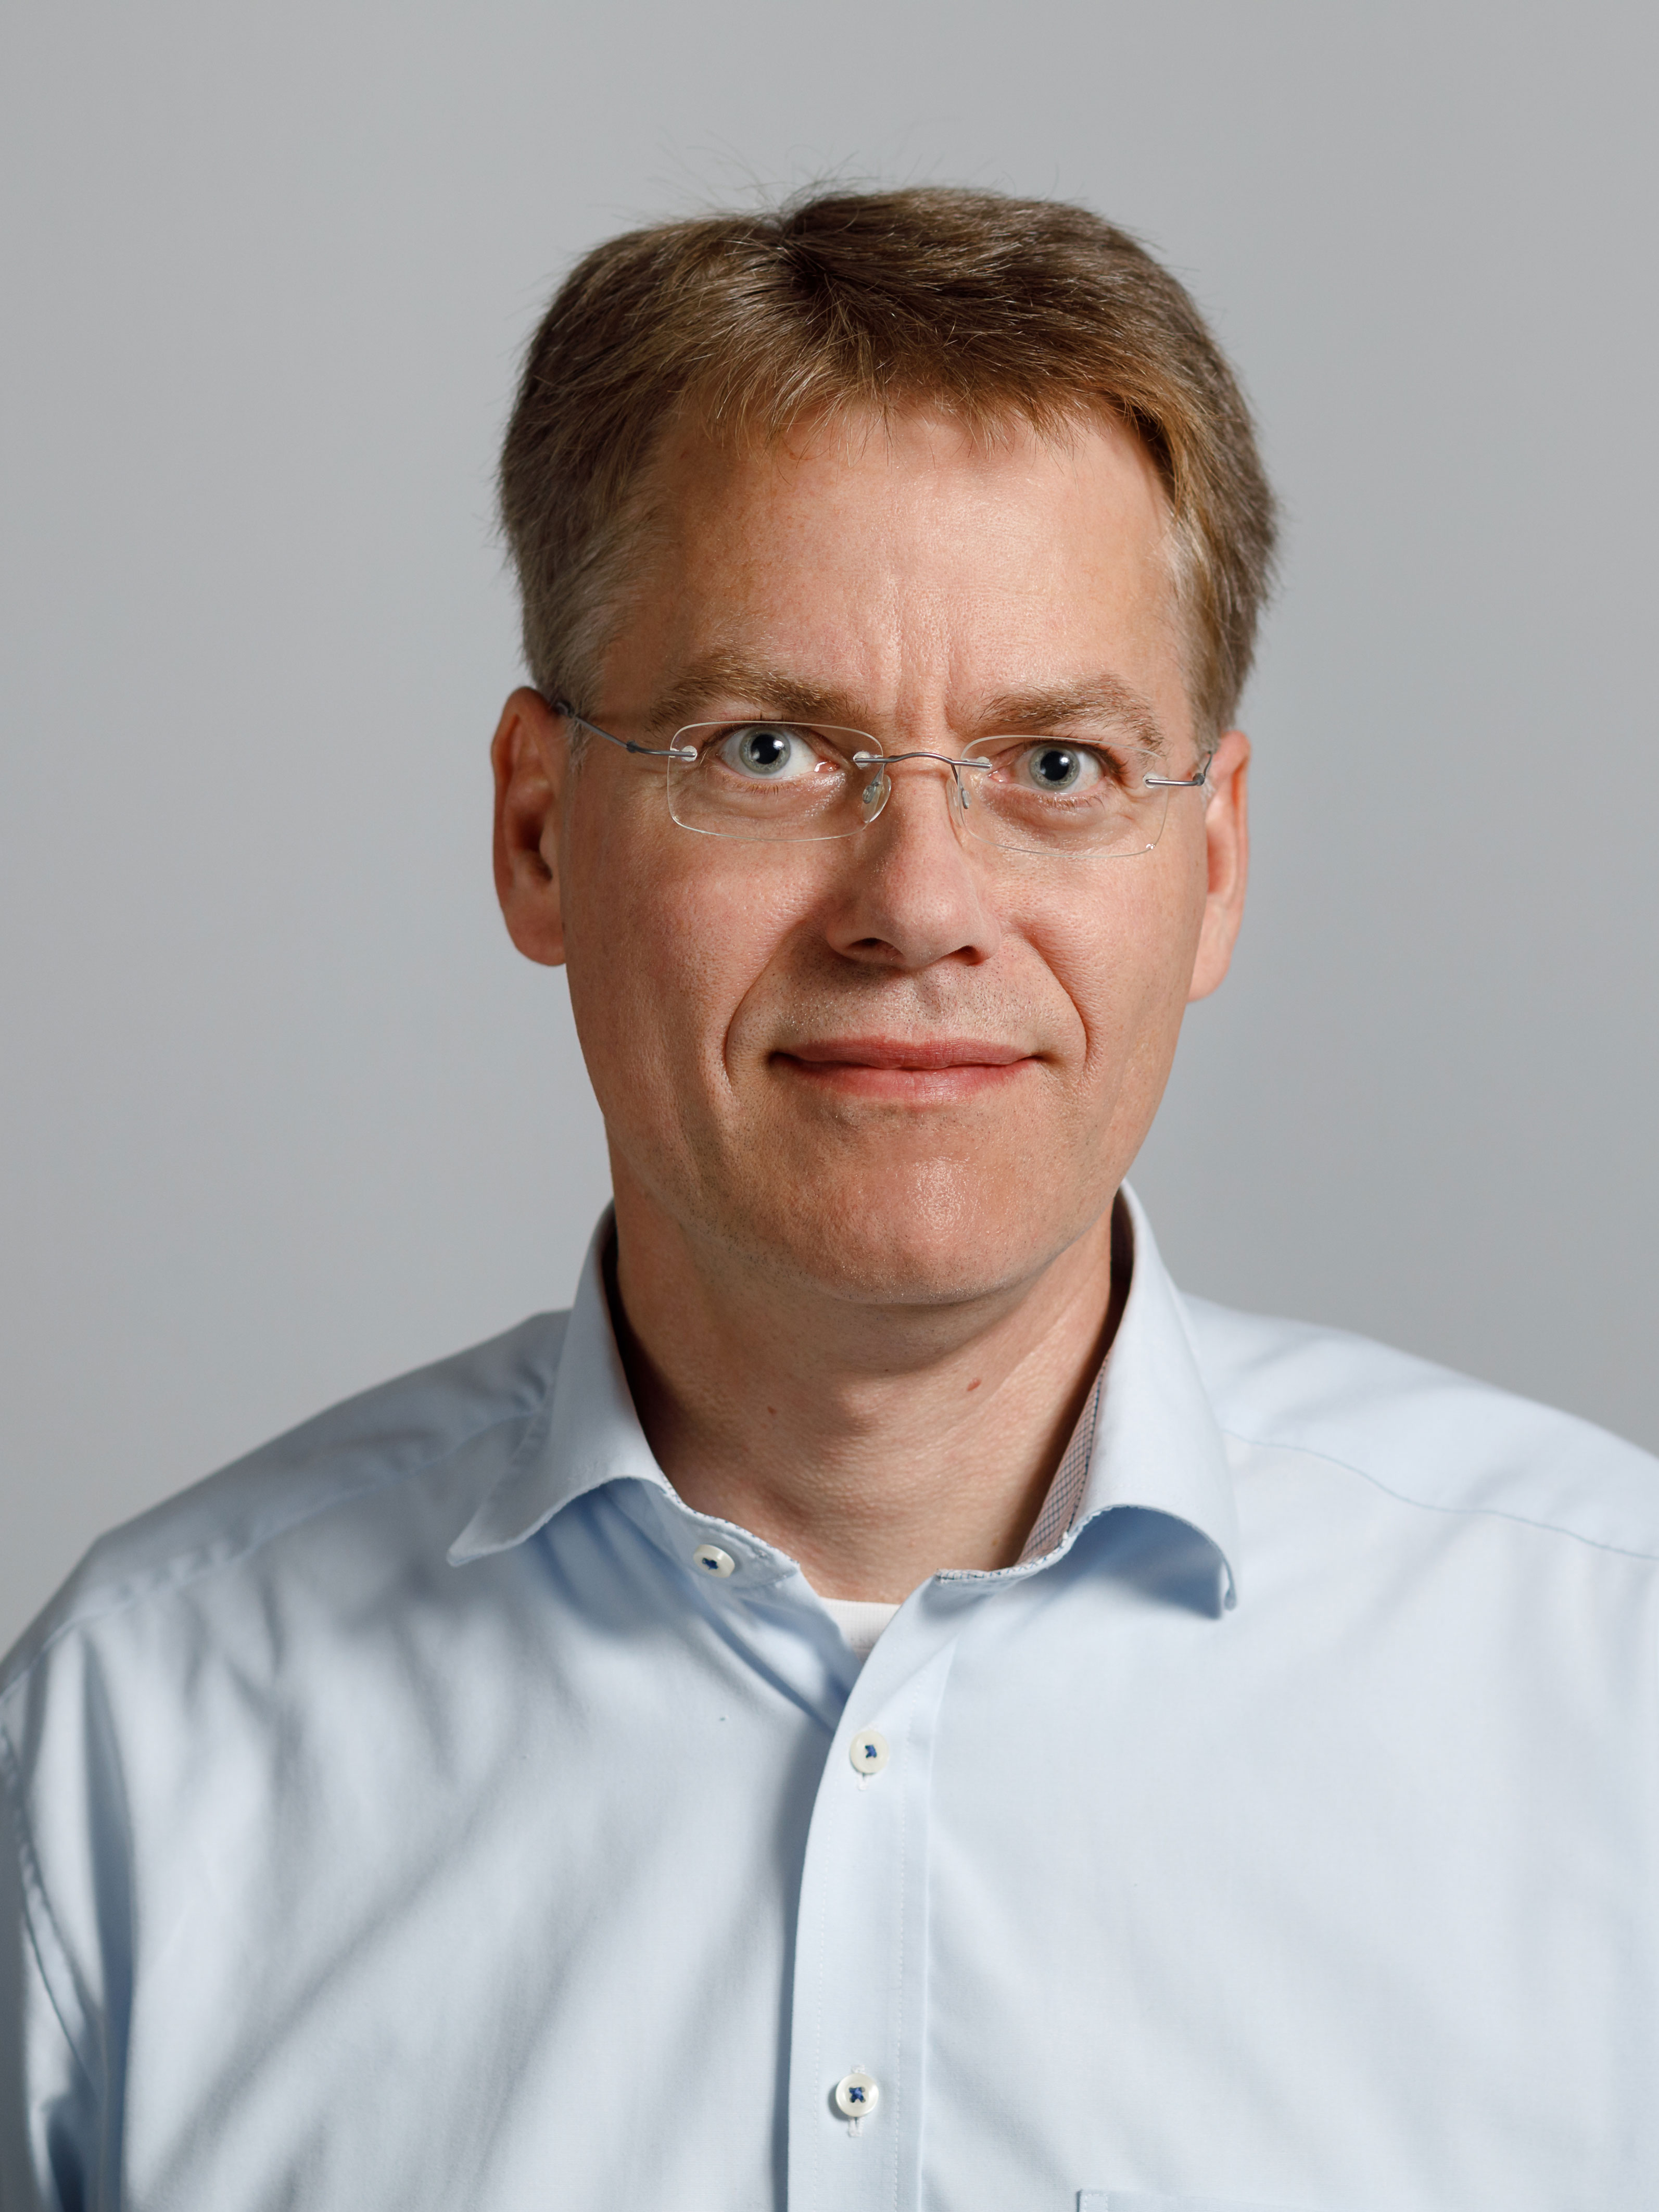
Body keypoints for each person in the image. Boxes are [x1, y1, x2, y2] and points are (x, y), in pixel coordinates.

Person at [1, 185, 1653, 2212]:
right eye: (766, 746)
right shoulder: (133, 1748)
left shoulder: (1606, 1690)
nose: (916, 907)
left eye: (1050, 764)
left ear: (1208, 864)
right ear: (538, 831)